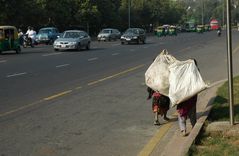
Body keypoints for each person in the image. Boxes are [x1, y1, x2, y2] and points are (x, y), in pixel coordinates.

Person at [176, 59, 199, 136]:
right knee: (192, 112)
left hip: (182, 95)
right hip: (192, 96)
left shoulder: (182, 72)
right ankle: (193, 127)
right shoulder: (196, 71)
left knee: (181, 112)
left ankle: (183, 130)